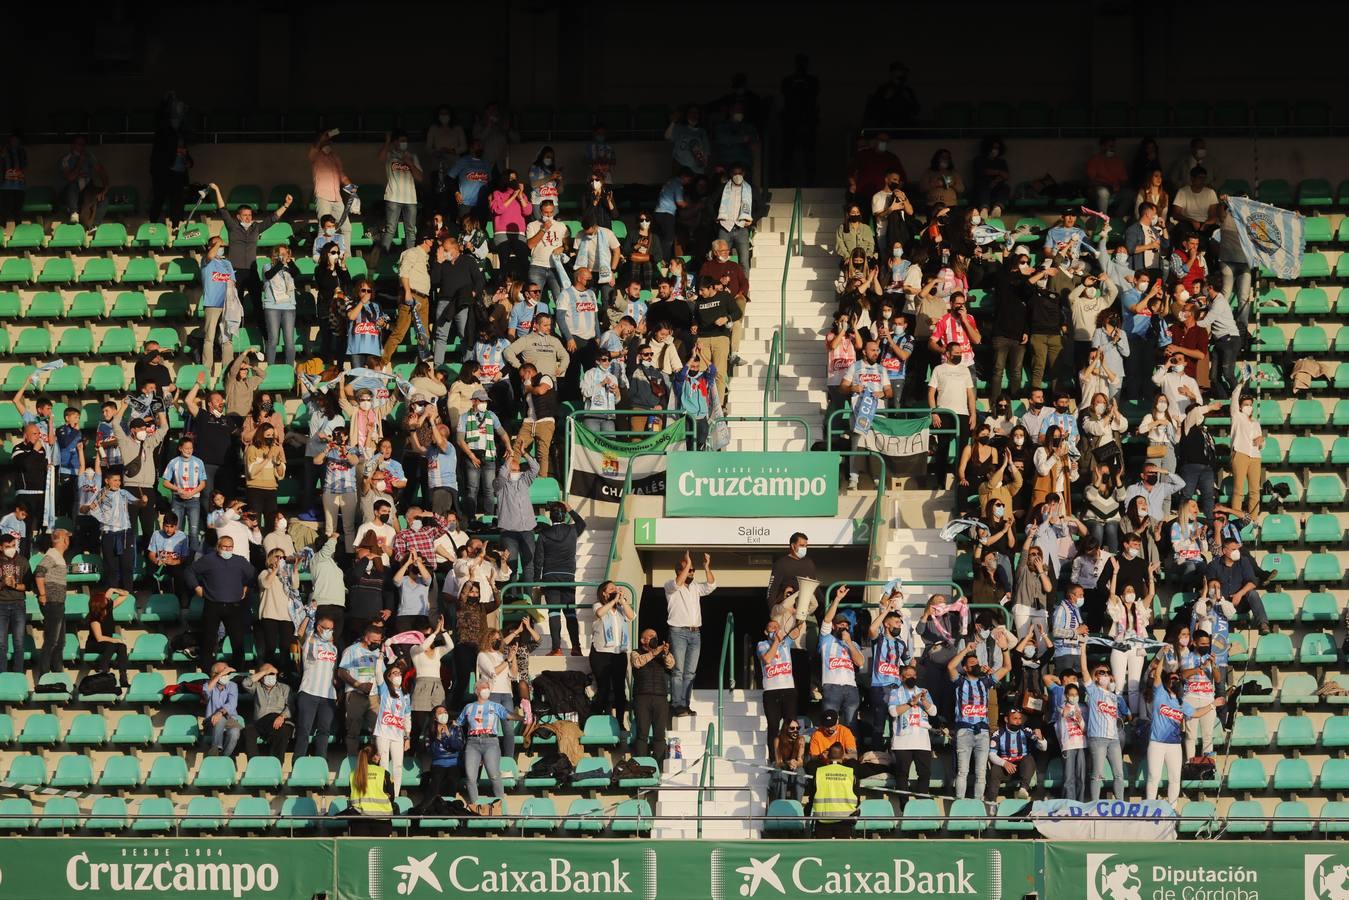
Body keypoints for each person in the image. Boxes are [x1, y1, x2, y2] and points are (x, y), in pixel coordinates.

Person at [946, 640, 1013, 801]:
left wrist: (1004, 648)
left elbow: (1007, 668)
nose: (976, 665)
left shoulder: (986, 681)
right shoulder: (960, 682)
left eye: (977, 663)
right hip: (964, 731)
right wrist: (966, 650)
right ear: (966, 668)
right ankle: (959, 803)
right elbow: (950, 667)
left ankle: (977, 804)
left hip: (983, 732)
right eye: (972, 663)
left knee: (981, 773)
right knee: (963, 771)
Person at [1144, 656, 1213, 806]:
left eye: (1177, 679)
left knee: (1175, 778)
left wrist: (1213, 705)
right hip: (1157, 742)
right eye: (1172, 679)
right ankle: (1149, 807)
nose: (1175, 681)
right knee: (1153, 776)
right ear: (1167, 682)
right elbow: (1157, 674)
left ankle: (1172, 808)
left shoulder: (1182, 702)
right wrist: (1163, 653)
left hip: (1174, 744)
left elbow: (1196, 713)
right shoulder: (1160, 694)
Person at [664, 551, 716, 716]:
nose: (692, 572)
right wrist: (687, 563)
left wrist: (706, 567)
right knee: (678, 670)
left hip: (695, 632)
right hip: (678, 631)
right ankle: (676, 704)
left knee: (690, 672)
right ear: (680, 571)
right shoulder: (670, 585)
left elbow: (711, 585)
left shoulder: (694, 587)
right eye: (689, 569)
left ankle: (685, 704)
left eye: (693, 570)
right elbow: (678, 583)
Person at [1079, 641, 1129, 801]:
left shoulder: (1115, 696)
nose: (1105, 675)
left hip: (1113, 738)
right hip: (1098, 737)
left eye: (1107, 672)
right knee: (1097, 774)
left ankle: (1120, 803)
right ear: (1095, 676)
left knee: (1119, 774)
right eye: (1101, 672)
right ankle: (1094, 803)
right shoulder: (1093, 691)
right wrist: (1082, 648)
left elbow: (1126, 715)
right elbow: (1084, 669)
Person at [457, 682, 516, 816]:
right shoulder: (468, 707)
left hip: (491, 741)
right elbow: (458, 722)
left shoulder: (495, 706)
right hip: (472, 742)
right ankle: (476, 808)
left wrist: (523, 717)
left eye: (488, 687)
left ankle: (500, 805)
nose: (486, 690)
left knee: (494, 775)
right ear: (476, 690)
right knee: (471, 778)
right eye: (483, 687)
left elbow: (509, 715)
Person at [536, 502, 586, 655]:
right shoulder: (572, 530)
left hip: (550, 577)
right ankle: (576, 647)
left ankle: (556, 648)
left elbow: (538, 560)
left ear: (550, 517)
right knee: (570, 613)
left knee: (554, 612)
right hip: (568, 577)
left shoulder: (544, 534)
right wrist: (571, 509)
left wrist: (537, 580)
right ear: (564, 515)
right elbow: (582, 523)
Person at [887, 663, 937, 798]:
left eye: (913, 676)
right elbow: (893, 712)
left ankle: (920, 805)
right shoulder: (895, 692)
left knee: (925, 774)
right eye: (908, 676)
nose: (911, 678)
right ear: (901, 677)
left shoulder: (923, 692)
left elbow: (933, 712)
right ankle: (904, 807)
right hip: (902, 742)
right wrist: (910, 704)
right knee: (902, 774)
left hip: (922, 742)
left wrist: (924, 700)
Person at [293, 614, 340, 758]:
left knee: (324, 731)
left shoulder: (334, 648)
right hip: (309, 692)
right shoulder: (309, 640)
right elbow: (299, 633)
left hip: (328, 696)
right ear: (319, 627)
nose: (330, 631)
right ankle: (298, 761)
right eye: (327, 628)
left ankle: (321, 762)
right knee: (304, 729)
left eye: (332, 629)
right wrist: (308, 616)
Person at [589, 582, 635, 727]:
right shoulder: (598, 605)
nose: (615, 590)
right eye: (611, 589)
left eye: (616, 588)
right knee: (603, 688)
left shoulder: (621, 609)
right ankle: (597, 722)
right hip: (601, 653)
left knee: (620, 690)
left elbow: (631, 616)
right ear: (604, 593)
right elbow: (599, 613)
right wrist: (613, 601)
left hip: (618, 653)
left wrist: (622, 602)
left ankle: (620, 723)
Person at [759, 615, 807, 752]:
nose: (774, 629)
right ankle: (774, 759)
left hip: (788, 690)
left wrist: (800, 617)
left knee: (791, 725)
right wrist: (777, 641)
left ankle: (792, 757)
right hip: (771, 691)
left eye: (777, 627)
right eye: (771, 627)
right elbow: (767, 659)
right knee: (773, 725)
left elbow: (796, 631)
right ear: (766, 631)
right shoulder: (762, 644)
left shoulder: (786, 643)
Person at [631, 628, 675, 761]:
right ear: (643, 640)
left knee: (659, 735)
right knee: (642, 734)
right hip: (642, 697)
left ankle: (658, 766)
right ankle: (641, 767)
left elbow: (671, 665)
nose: (654, 638)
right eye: (650, 636)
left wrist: (666, 652)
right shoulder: (635, 652)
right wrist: (655, 652)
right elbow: (638, 662)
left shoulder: (663, 654)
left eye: (655, 636)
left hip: (660, 698)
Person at [986, 707, 1047, 800]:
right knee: (994, 770)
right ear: (1006, 719)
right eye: (1015, 719)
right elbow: (991, 755)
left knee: (1029, 759)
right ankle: (991, 801)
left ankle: (1023, 790)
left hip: (1023, 769)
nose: (1018, 722)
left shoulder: (1026, 731)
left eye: (1020, 719)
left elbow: (1043, 748)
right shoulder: (998, 733)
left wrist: (1041, 738)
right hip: (1006, 769)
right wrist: (1004, 763)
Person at [372, 661, 412, 797]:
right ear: (388, 677)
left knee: (398, 766)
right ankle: (384, 794)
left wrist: (407, 737)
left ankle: (394, 795)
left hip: (398, 735)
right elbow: (377, 672)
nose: (398, 676)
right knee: (384, 764)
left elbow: (407, 716)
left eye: (399, 673)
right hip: (383, 733)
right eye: (394, 673)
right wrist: (380, 656)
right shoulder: (384, 689)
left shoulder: (405, 695)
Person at [241, 663, 295, 759]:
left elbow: (290, 706)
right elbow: (245, 683)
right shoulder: (257, 687)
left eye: (272, 674)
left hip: (278, 722)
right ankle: (254, 763)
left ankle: (276, 763)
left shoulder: (285, 688)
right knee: (248, 731)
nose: (270, 676)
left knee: (285, 730)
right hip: (260, 723)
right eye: (267, 674)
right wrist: (265, 671)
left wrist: (282, 716)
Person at [809, 743, 859, 837]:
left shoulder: (819, 772)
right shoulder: (850, 773)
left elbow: (812, 796)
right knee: (842, 851)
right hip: (845, 820)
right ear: (843, 756)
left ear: (828, 756)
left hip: (822, 820)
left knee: (823, 851)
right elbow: (857, 798)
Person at [347, 744, 394, 835]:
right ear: (375, 757)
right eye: (378, 754)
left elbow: (350, 794)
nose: (380, 757)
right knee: (381, 849)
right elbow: (392, 797)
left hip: (358, 821)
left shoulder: (353, 774)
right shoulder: (384, 773)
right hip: (382, 821)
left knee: (360, 849)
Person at [203, 662, 243, 756]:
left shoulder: (232, 685)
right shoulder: (208, 685)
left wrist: (220, 712)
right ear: (214, 675)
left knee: (235, 732)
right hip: (212, 722)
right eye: (223, 673)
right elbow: (206, 692)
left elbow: (232, 703)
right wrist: (220, 675)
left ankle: (224, 757)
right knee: (220, 718)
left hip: (230, 721)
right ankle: (216, 748)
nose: (226, 675)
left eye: (227, 673)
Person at [770, 719, 807, 802]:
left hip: (794, 768)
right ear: (786, 728)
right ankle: (781, 803)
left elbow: (800, 761)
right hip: (782, 766)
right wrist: (788, 762)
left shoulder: (801, 739)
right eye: (792, 728)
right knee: (781, 774)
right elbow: (778, 762)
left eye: (798, 728)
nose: (795, 730)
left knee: (800, 771)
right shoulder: (778, 740)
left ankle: (798, 804)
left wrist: (796, 763)